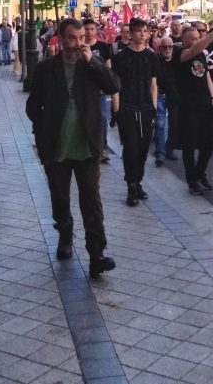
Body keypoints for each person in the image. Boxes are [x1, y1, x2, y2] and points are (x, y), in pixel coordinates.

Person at [25, 18, 119, 278]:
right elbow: (33, 106)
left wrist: (93, 62)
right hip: (56, 146)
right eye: (72, 38)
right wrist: (43, 130)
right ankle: (65, 233)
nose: (78, 43)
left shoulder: (90, 65)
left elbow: (113, 85)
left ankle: (97, 255)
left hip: (87, 145)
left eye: (81, 38)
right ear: (61, 38)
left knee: (91, 201)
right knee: (60, 197)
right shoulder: (46, 69)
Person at [175, 24, 213, 194]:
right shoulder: (180, 53)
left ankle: (200, 172)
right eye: (193, 39)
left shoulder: (202, 54)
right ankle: (192, 180)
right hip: (189, 107)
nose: (197, 41)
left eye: (198, 38)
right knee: (189, 145)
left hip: (206, 104)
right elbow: (191, 51)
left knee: (210, 141)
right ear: (184, 40)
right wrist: (212, 35)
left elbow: (207, 76)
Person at [111, 18, 159, 206]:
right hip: (127, 108)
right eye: (138, 31)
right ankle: (130, 185)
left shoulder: (151, 56)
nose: (141, 34)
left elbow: (154, 84)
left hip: (146, 108)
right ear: (130, 33)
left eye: (144, 31)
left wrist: (154, 107)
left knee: (144, 148)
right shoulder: (121, 56)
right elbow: (115, 85)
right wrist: (117, 110)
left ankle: (138, 181)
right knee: (130, 148)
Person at [83, 18, 113, 163]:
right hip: (84, 90)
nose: (89, 32)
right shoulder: (80, 47)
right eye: (86, 29)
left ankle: (103, 148)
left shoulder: (103, 47)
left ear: (96, 30)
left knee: (102, 118)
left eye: (92, 29)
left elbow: (108, 68)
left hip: (99, 91)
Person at [154, 36, 179, 165]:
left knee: (174, 124)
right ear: (160, 48)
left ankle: (169, 149)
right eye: (165, 47)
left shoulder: (178, 59)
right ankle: (160, 152)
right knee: (160, 124)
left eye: (170, 47)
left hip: (174, 97)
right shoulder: (155, 60)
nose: (168, 49)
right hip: (160, 96)